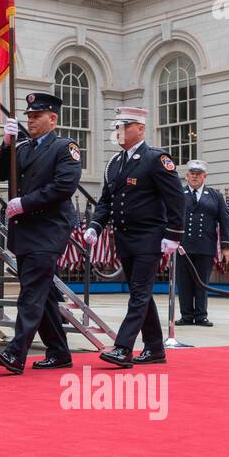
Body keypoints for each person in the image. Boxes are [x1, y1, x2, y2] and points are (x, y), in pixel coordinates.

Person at [0, 92, 83, 373]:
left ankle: (16, 353)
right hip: (25, 231)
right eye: (28, 116)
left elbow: (64, 186)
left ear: (52, 119)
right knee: (45, 294)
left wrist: (25, 203)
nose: (31, 121)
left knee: (31, 293)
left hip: (48, 230)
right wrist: (5, 145)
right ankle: (59, 352)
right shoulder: (24, 148)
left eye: (36, 116)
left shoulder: (65, 148)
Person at [82, 107, 186, 367]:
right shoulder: (115, 163)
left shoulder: (155, 158)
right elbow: (107, 200)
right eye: (117, 127)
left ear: (139, 128)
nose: (119, 131)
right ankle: (154, 348)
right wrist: (95, 225)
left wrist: (173, 235)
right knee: (141, 293)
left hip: (149, 237)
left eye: (124, 126)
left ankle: (123, 347)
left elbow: (175, 199)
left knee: (138, 293)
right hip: (125, 237)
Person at [176, 160, 229, 327]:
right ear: (187, 176)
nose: (194, 177)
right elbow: (169, 218)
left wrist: (226, 246)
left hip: (205, 245)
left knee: (202, 282)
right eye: (191, 174)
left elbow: (225, 221)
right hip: (182, 246)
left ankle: (201, 315)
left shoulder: (215, 195)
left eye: (198, 174)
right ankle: (186, 315)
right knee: (184, 281)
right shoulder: (179, 194)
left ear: (204, 176)